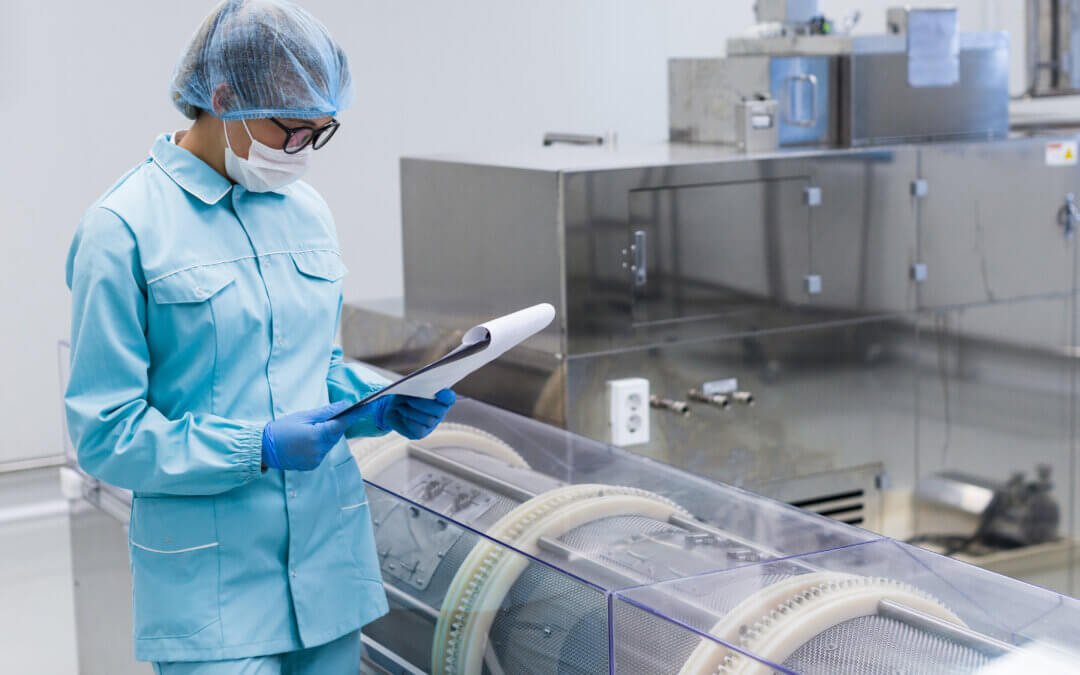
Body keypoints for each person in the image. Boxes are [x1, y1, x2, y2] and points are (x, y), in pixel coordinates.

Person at [63, 1, 455, 672]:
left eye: (318, 132)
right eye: (290, 130)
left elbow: (314, 367)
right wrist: (257, 447)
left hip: (328, 575)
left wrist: (381, 402)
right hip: (213, 594)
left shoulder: (306, 213)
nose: (300, 151)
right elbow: (107, 433)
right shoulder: (122, 230)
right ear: (222, 99)